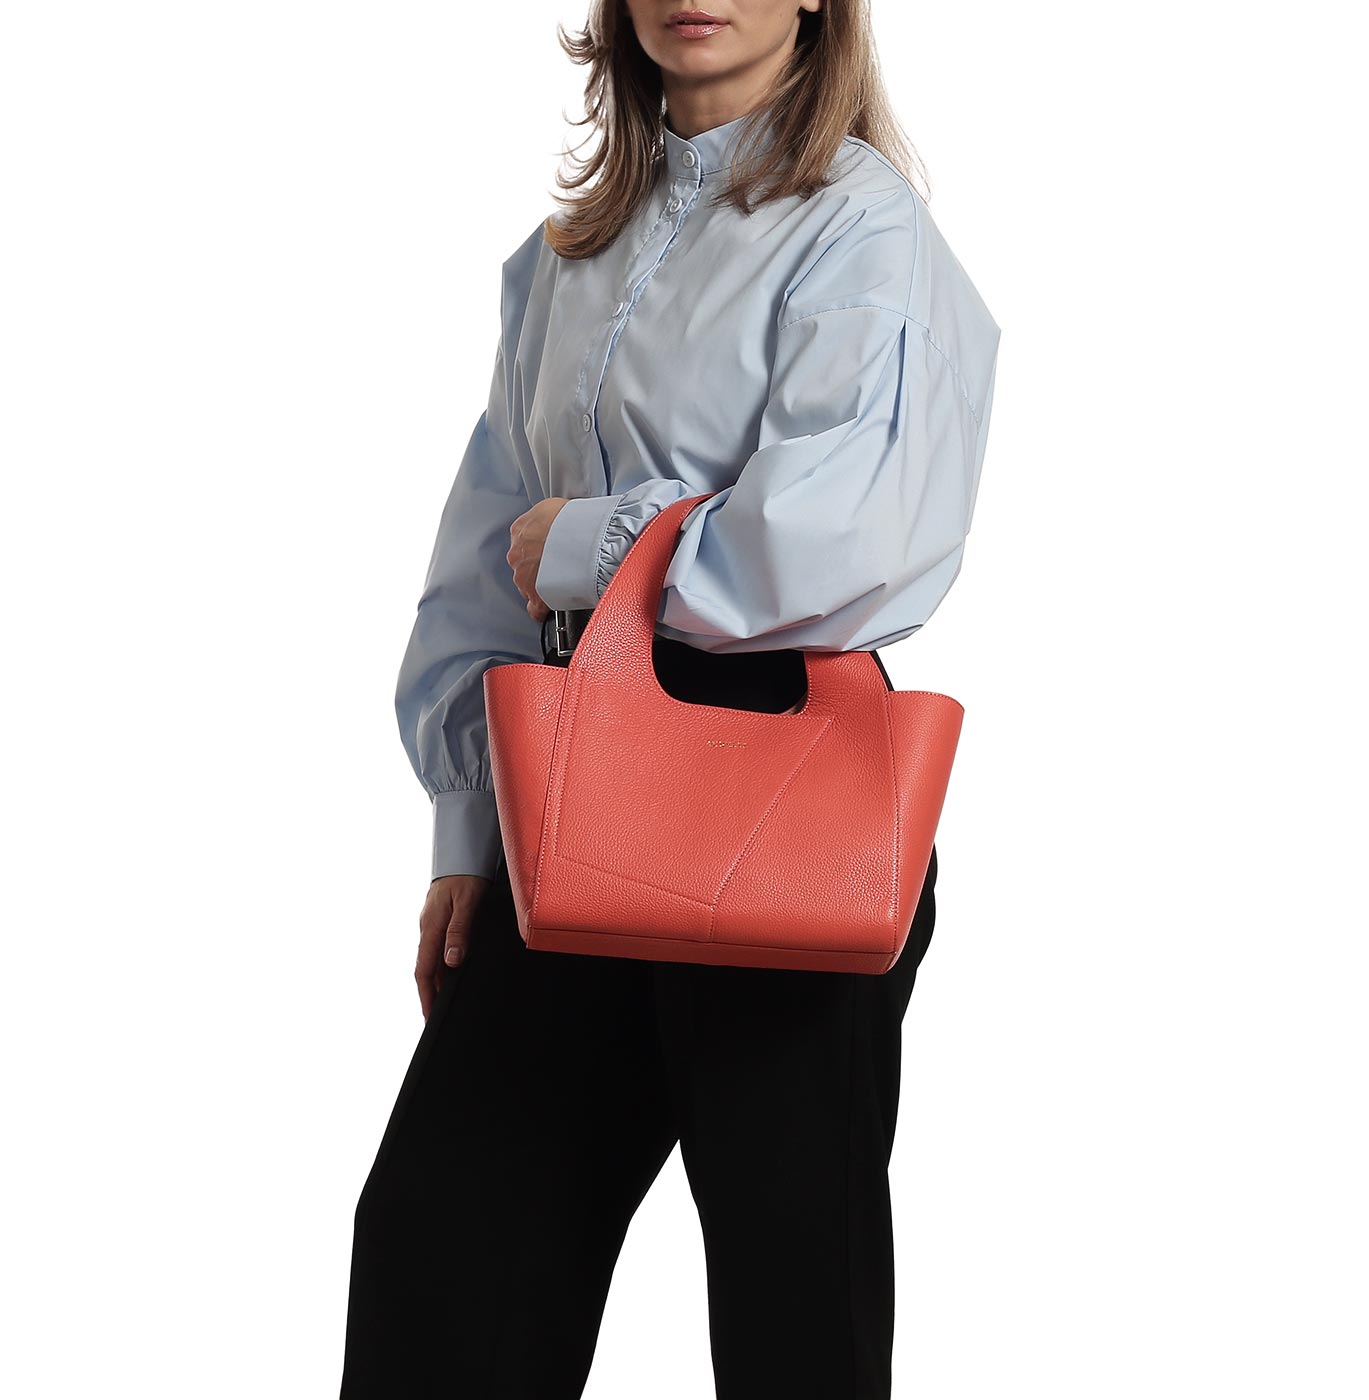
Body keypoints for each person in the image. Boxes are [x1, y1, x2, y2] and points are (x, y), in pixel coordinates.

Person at [339, 1, 1000, 1395]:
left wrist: (595, 543)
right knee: (441, 1257)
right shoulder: (568, 254)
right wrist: (468, 829)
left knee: (787, 1319)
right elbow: (484, 547)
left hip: (780, 781)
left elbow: (845, 541)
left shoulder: (863, 232)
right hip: (567, 788)